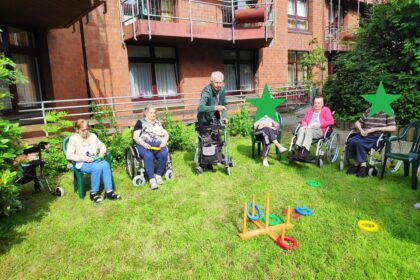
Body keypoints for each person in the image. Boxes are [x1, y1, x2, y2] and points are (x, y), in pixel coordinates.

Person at [66, 119, 121, 203]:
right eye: (83, 130)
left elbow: (103, 146)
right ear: (77, 130)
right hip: (82, 163)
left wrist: (101, 153)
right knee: (97, 168)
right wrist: (84, 158)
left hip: (94, 160)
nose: (86, 132)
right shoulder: (73, 139)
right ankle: (93, 193)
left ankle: (109, 191)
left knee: (105, 164)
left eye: (87, 129)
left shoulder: (93, 136)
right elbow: (69, 155)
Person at [346, 109, 396, 177]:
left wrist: (375, 129)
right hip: (364, 134)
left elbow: (393, 128)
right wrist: (360, 129)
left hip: (377, 136)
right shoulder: (369, 110)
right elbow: (358, 122)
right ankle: (356, 163)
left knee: (360, 143)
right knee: (350, 141)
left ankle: (363, 166)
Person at [133, 106, 169, 190]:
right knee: (149, 156)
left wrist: (164, 141)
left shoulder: (158, 123)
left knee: (164, 153)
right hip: (143, 144)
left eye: (154, 113)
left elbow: (166, 134)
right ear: (146, 113)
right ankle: (152, 179)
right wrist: (144, 144)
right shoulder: (140, 122)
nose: (153, 114)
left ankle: (158, 175)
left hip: (158, 144)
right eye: (151, 113)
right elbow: (135, 137)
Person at [293, 95, 334, 160]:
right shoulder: (310, 110)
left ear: (323, 103)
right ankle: (299, 149)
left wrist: (320, 125)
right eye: (315, 103)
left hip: (319, 130)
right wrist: (305, 125)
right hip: (308, 128)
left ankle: (305, 152)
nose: (317, 104)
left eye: (319, 103)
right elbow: (304, 120)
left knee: (308, 131)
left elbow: (331, 121)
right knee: (301, 129)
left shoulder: (326, 110)